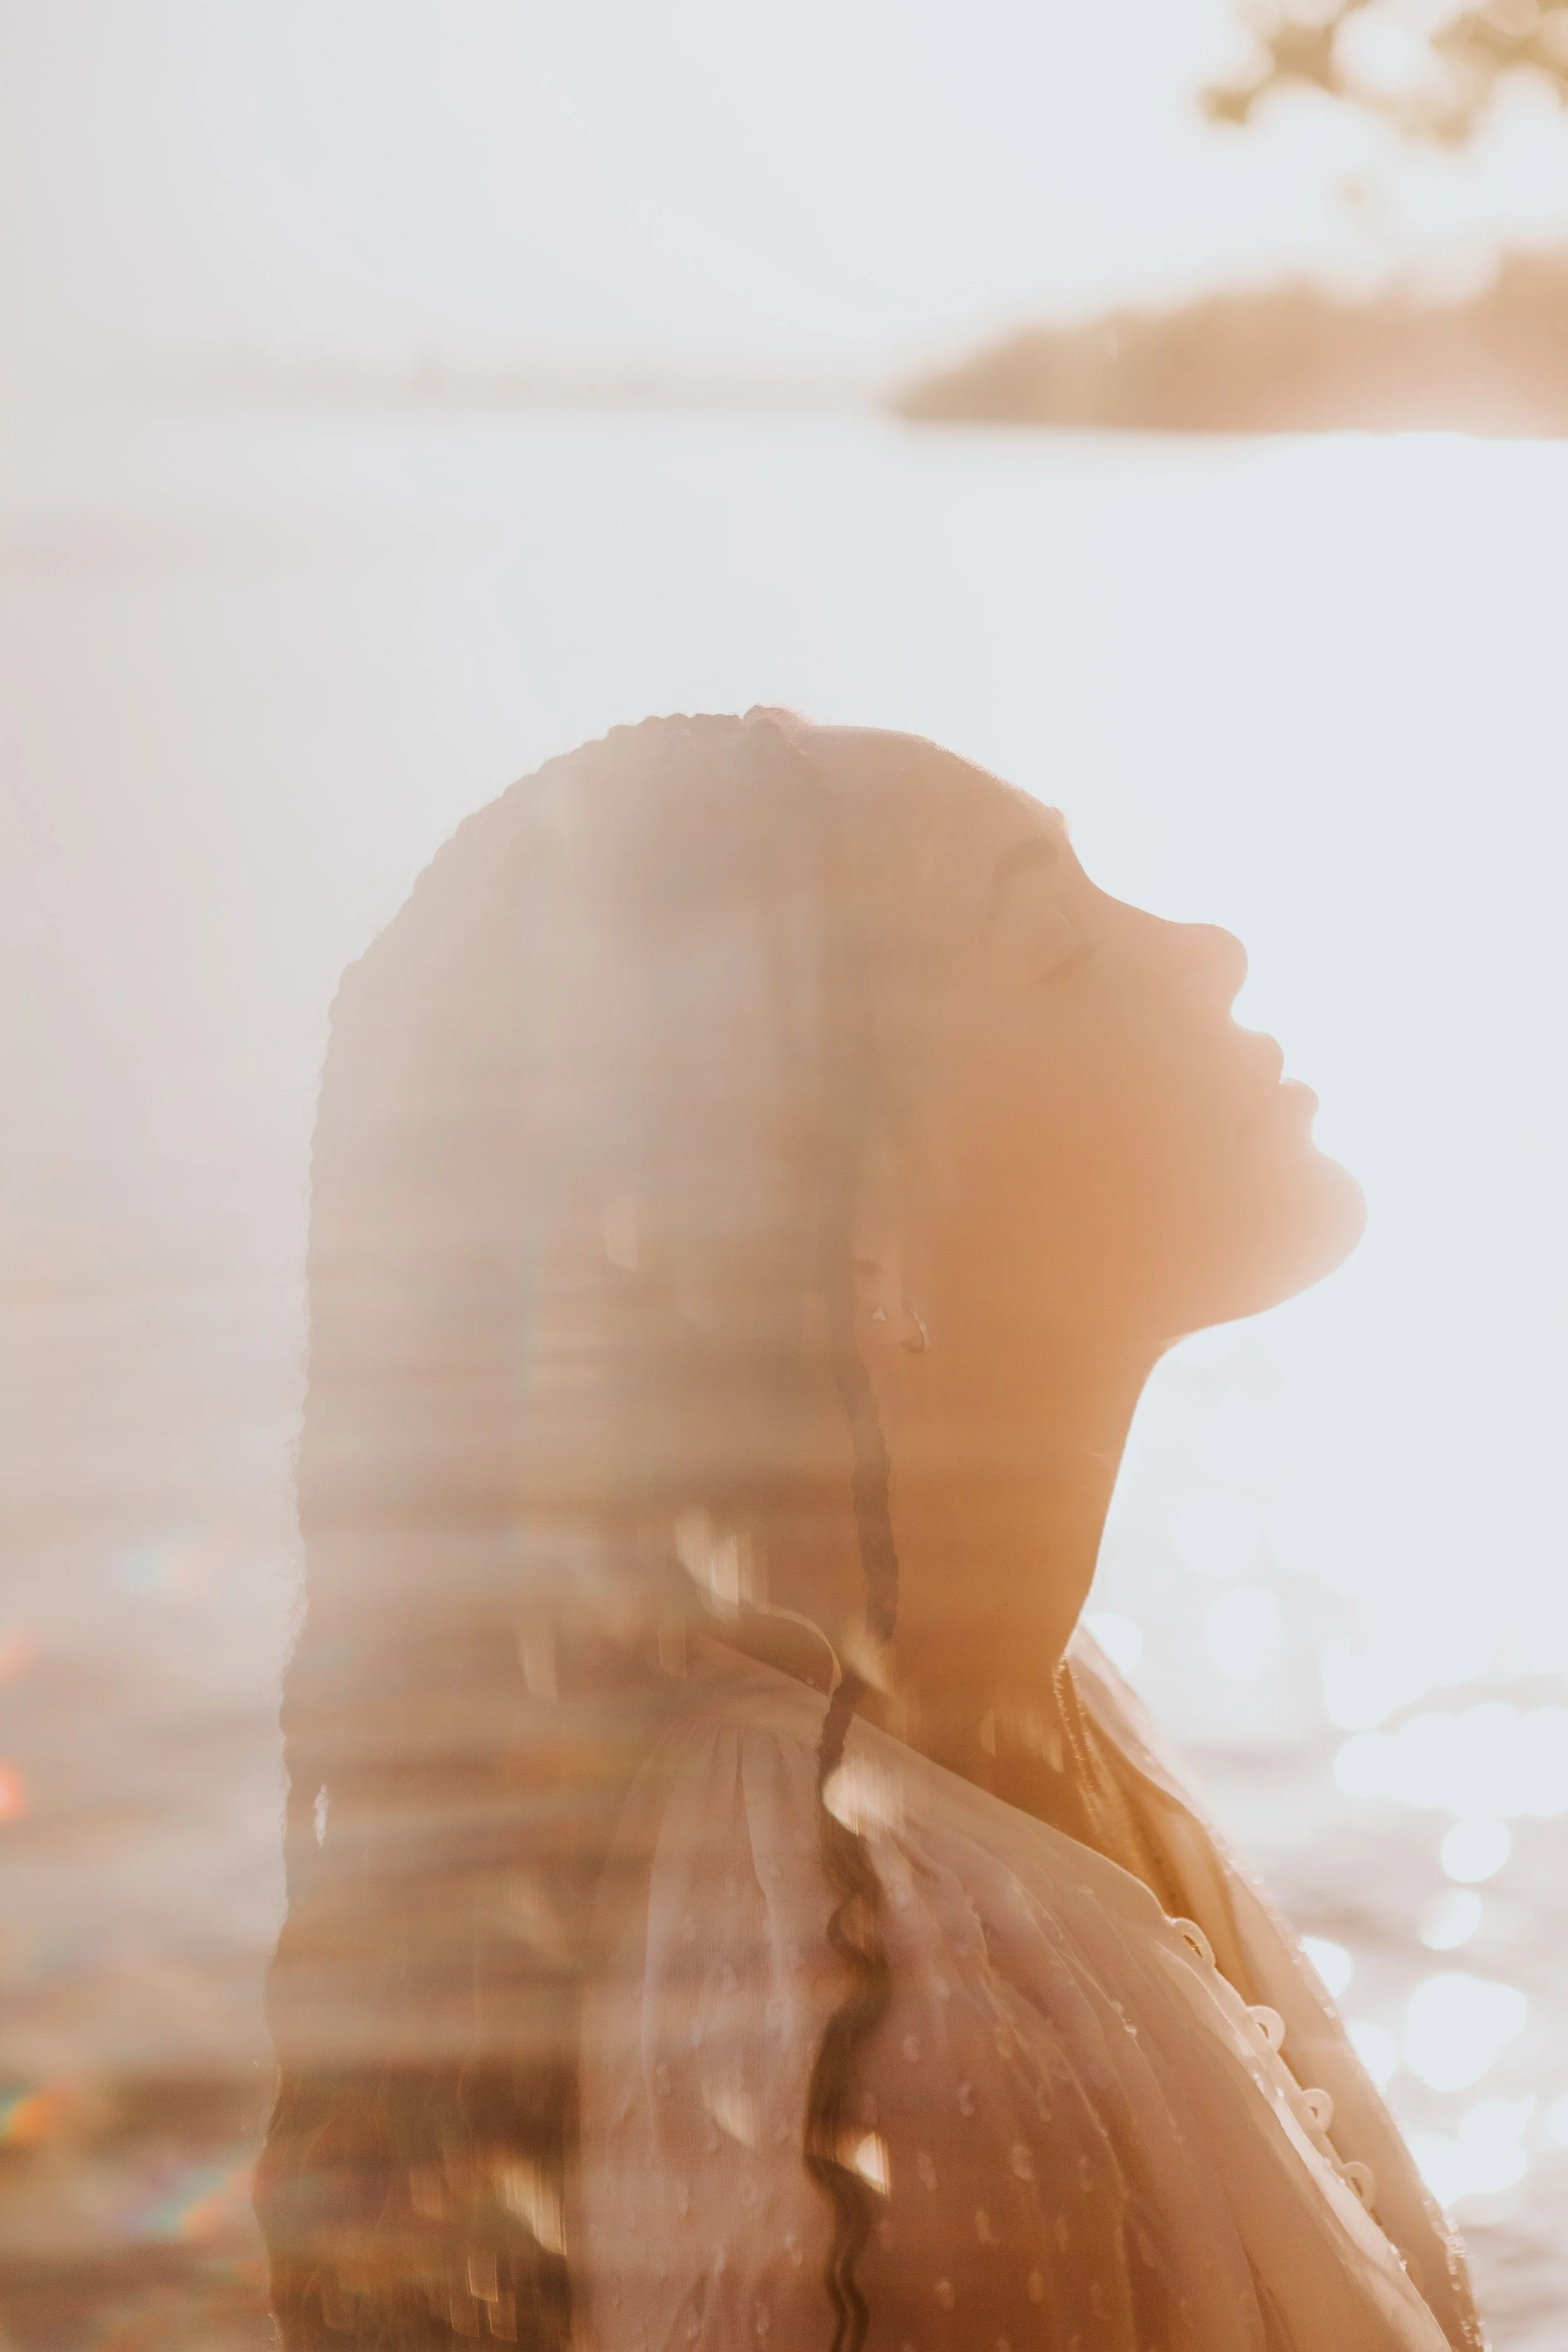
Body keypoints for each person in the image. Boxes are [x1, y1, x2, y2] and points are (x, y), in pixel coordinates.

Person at [255, 711, 1483, 2351]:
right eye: (1056, 949)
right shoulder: (931, 2064)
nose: (1203, 949)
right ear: (851, 1245)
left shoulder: (997, 1726)